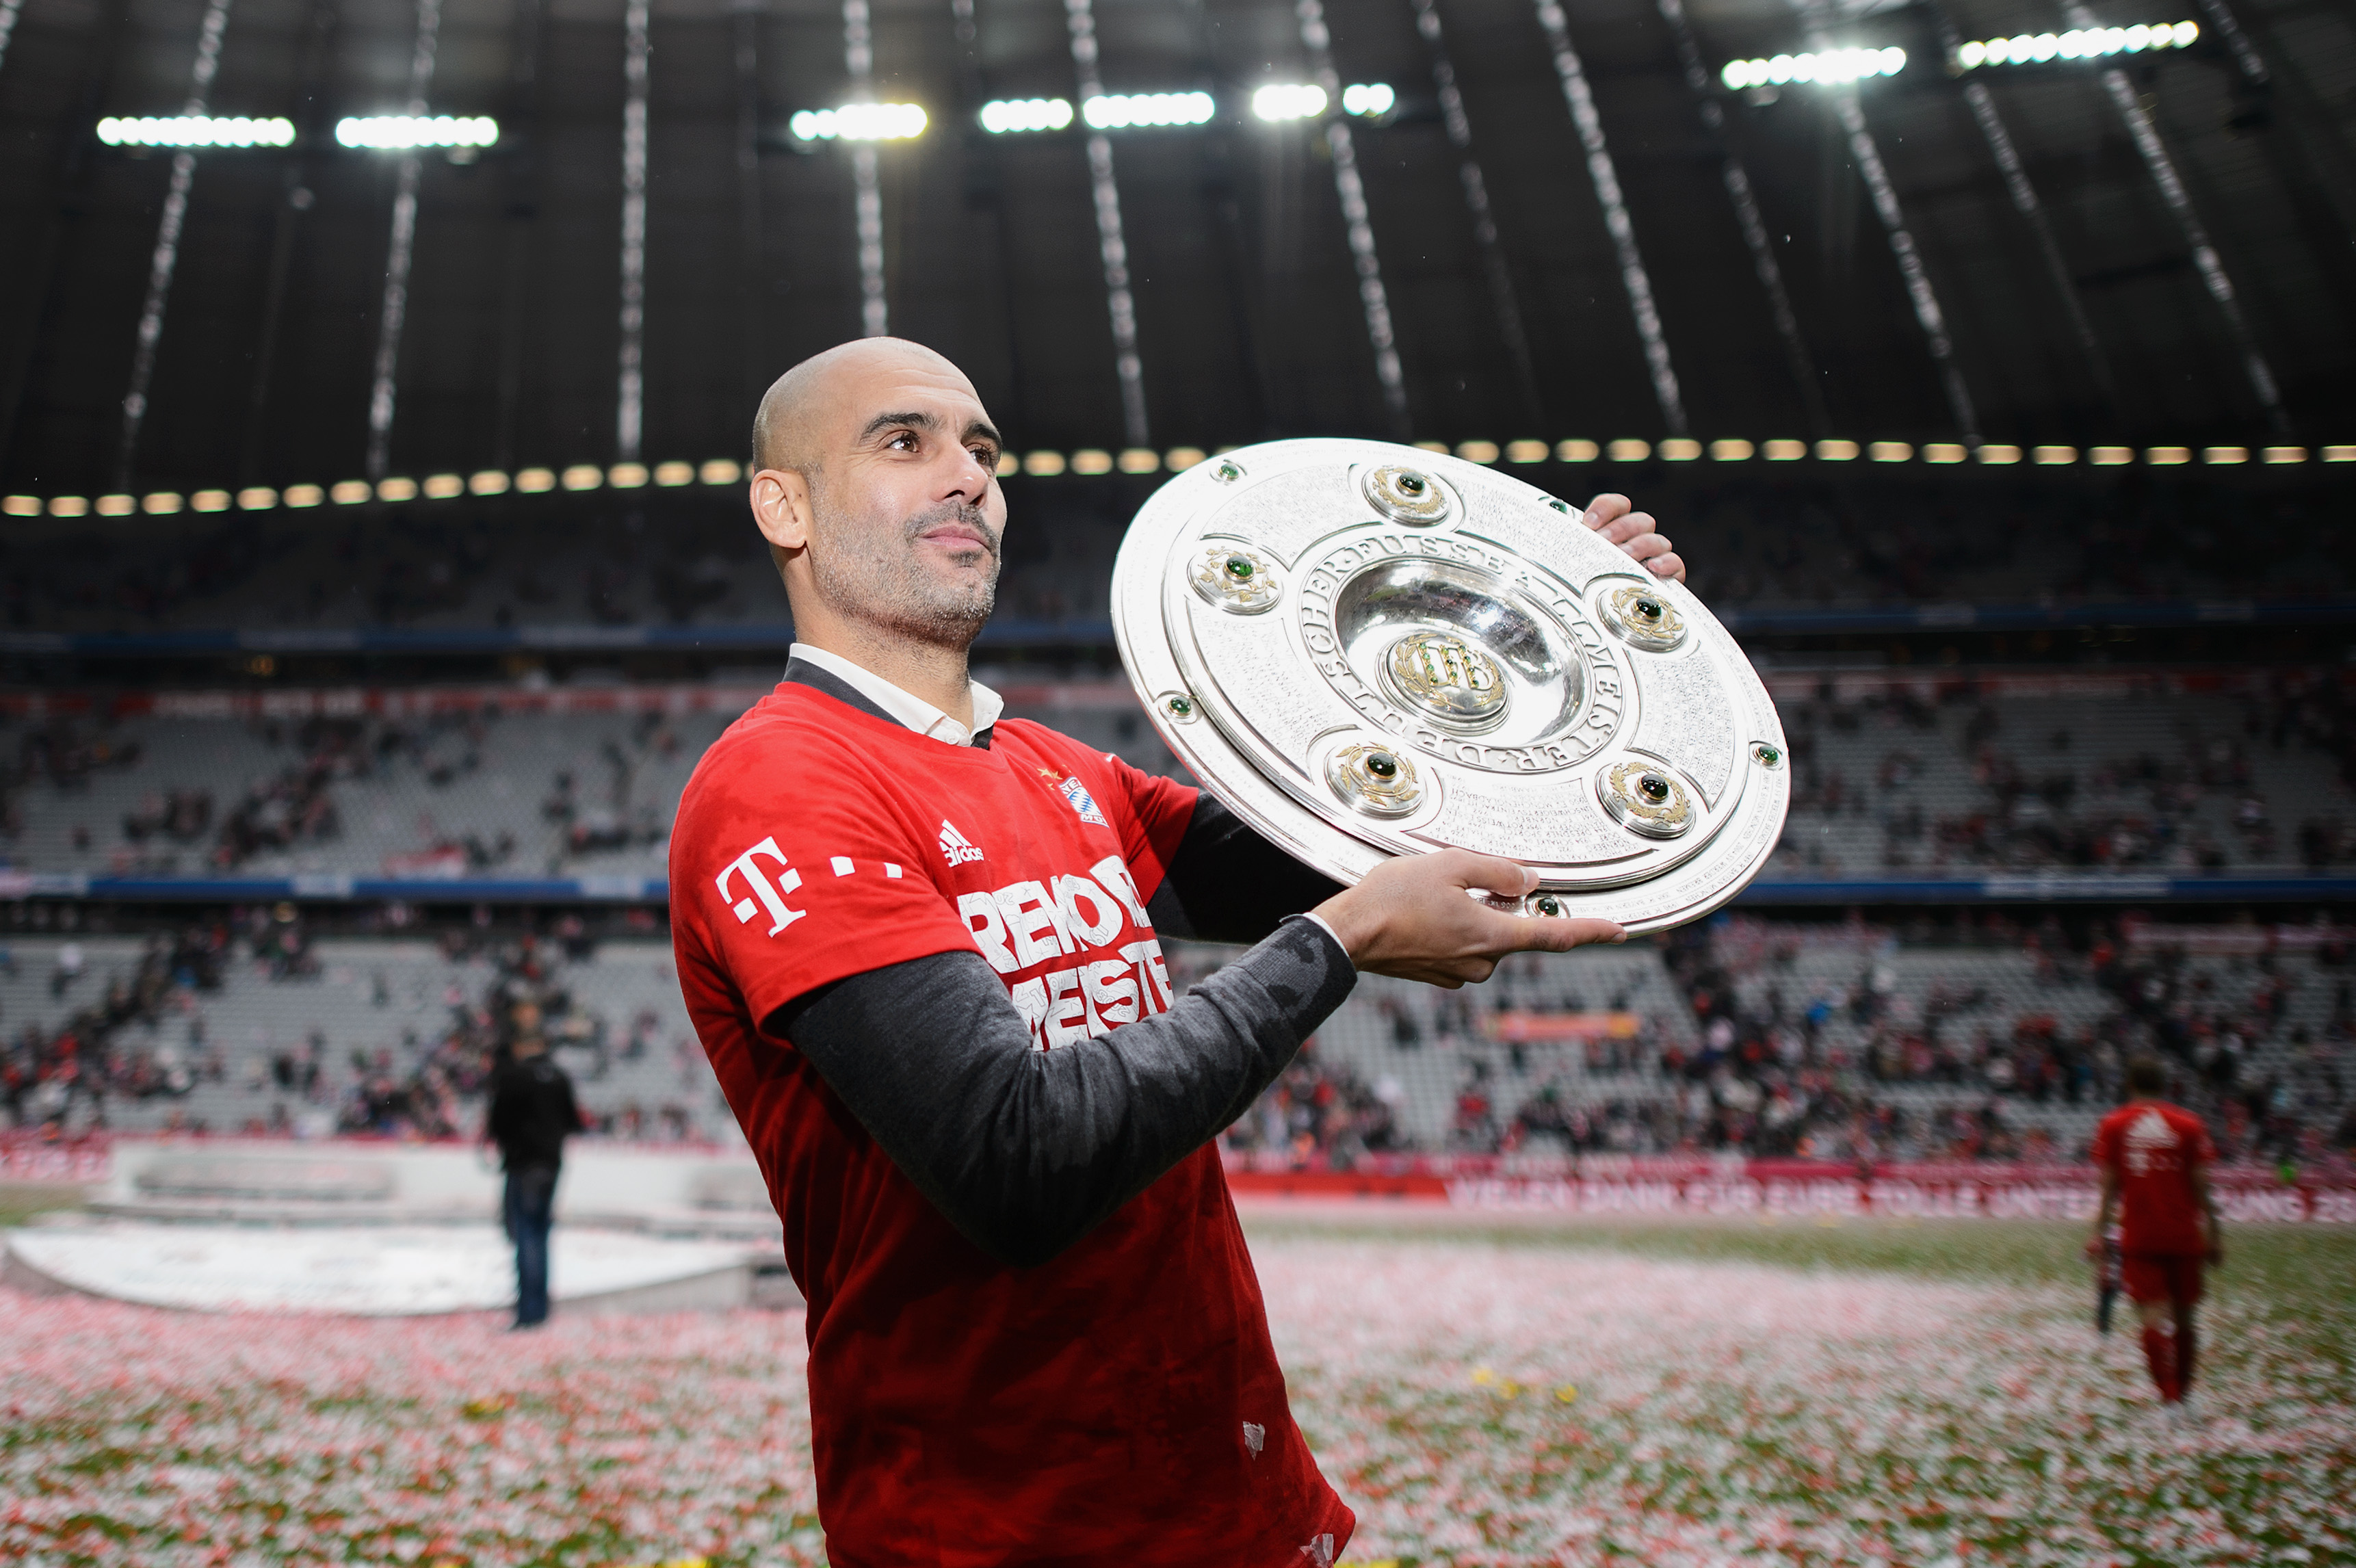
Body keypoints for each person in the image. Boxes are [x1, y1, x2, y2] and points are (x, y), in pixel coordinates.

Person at [669, 337, 1688, 1565]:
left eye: (982, 450)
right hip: (998, 1532)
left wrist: (1550, 632)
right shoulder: (779, 781)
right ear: (783, 504)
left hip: (1224, 1496)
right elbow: (1014, 1158)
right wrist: (1337, 944)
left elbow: (1349, 847)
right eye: (905, 441)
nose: (967, 477)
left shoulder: (1051, 766)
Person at [2088, 1054, 2223, 1415]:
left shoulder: (2115, 1124)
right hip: (2184, 1235)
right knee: (2185, 1319)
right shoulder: (2189, 1125)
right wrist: (2214, 1232)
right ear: (2165, 1086)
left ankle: (2170, 1400)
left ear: (2130, 1084)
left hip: (2140, 1235)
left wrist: (2099, 1235)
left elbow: (2109, 1188)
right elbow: (2202, 1186)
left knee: (2151, 1317)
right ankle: (2187, 1395)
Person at [485, 1002, 586, 1330]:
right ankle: (540, 1308)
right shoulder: (559, 1077)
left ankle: (527, 1312)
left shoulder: (514, 1077)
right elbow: (574, 1122)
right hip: (551, 1165)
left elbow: (497, 1124)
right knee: (540, 1234)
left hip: (522, 1165)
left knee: (524, 1234)